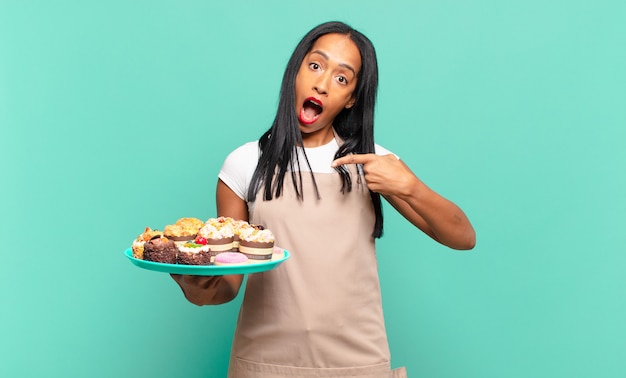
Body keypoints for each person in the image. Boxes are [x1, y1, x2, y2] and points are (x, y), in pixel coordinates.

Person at [171, 21, 475, 378]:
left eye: (342, 78)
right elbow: (228, 285)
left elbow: (463, 237)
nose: (322, 83)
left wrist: (410, 186)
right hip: (265, 363)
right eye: (315, 66)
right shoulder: (244, 163)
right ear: (295, 72)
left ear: (351, 100)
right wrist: (196, 284)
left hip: (358, 363)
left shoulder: (372, 163)